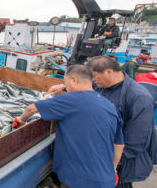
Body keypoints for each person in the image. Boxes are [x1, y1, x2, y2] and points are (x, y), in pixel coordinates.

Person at [49, 56, 157, 187]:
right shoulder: (102, 84)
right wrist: (63, 86)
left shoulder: (138, 97)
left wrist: (110, 163)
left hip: (119, 163)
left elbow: (137, 140)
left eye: (94, 76)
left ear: (109, 72)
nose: (92, 80)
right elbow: (87, 86)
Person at [13, 64, 124, 187]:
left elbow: (30, 109)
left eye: (66, 82)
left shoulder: (69, 100)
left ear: (74, 80)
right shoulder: (110, 106)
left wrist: (20, 121)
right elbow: (119, 144)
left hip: (79, 180)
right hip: (106, 179)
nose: (65, 87)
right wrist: (113, 169)